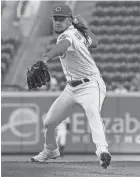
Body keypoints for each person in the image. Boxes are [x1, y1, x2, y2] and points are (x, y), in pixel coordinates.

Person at [31, 4, 111, 169]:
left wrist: (45, 58)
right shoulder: (78, 33)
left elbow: (63, 46)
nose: (58, 22)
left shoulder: (67, 36)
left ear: (70, 20)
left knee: (92, 111)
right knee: (49, 122)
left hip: (91, 85)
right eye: (55, 19)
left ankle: (103, 151)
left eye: (62, 19)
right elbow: (94, 42)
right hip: (71, 88)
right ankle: (51, 150)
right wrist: (85, 29)